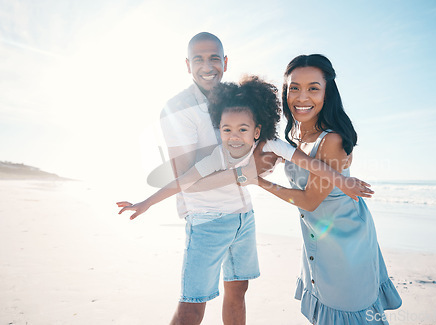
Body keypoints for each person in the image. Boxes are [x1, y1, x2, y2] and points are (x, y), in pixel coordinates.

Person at [119, 32, 373, 325]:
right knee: (193, 304)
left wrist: (341, 180)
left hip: (243, 215)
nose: (207, 65)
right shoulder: (179, 109)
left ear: (225, 62)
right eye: (198, 59)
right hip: (206, 219)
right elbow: (187, 179)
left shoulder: (236, 102)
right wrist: (146, 203)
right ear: (187, 65)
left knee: (238, 289)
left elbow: (300, 160)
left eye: (214, 57)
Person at [255, 54, 402, 324]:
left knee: (348, 313)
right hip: (317, 238)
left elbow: (310, 201)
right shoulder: (294, 137)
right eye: (294, 88)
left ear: (327, 93)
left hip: (346, 244)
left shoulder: (330, 140)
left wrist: (259, 183)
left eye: (313, 88)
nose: (302, 97)